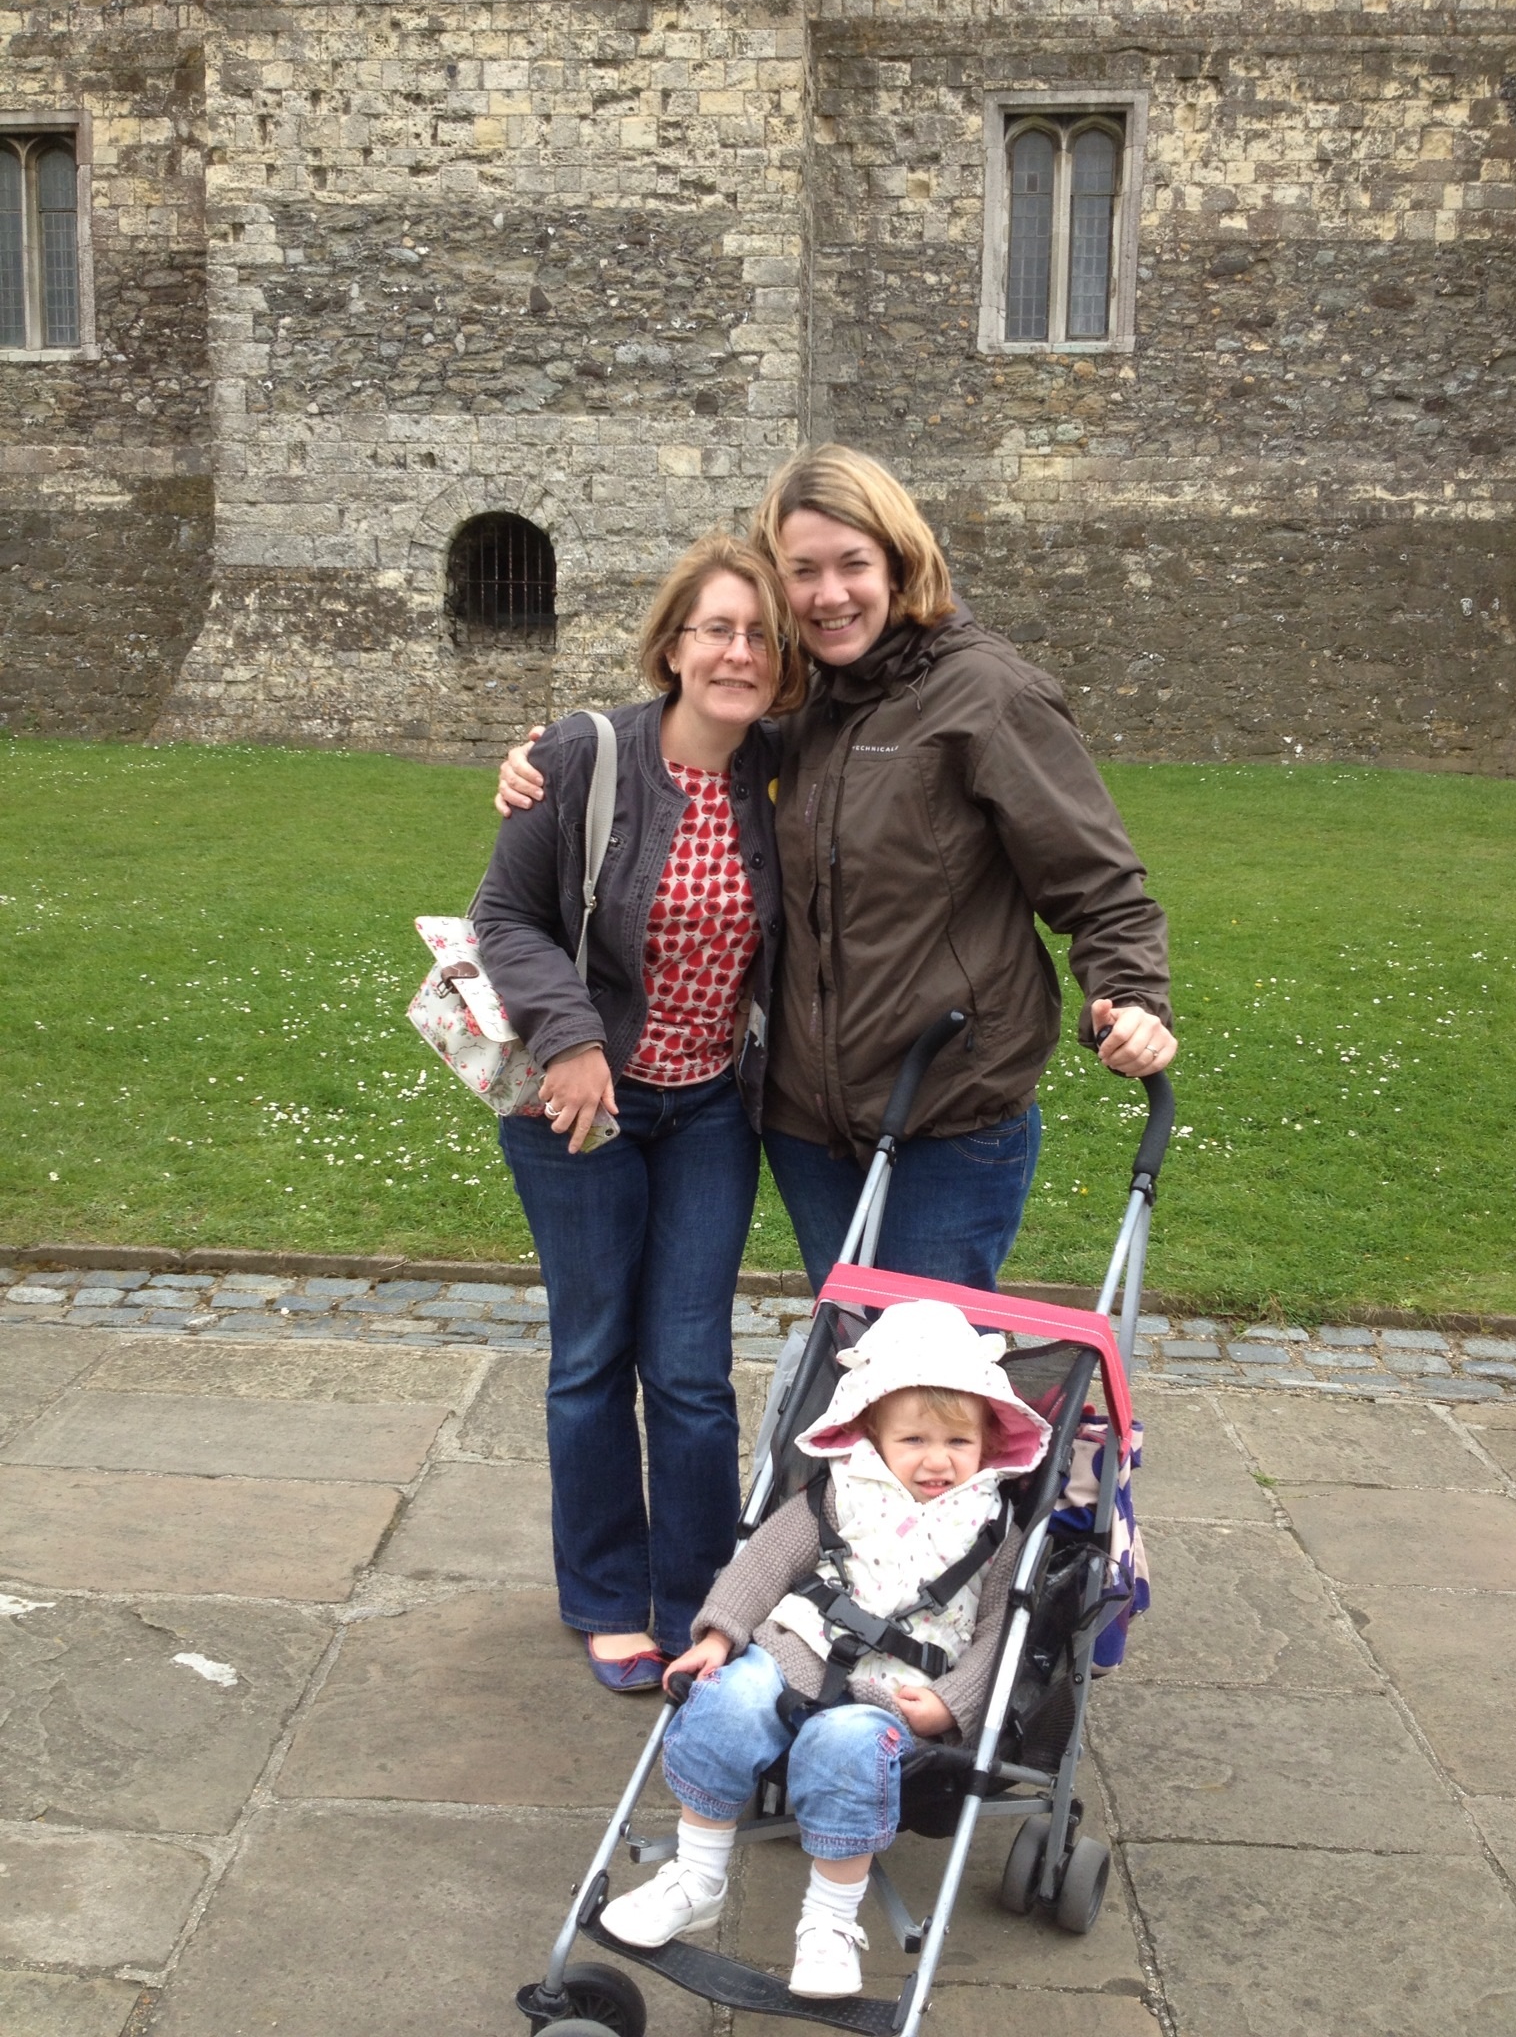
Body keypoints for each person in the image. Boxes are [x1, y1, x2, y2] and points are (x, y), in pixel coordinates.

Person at [497, 444, 1177, 1295]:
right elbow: (682, 740)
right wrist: (551, 761)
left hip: (945, 1117)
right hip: (806, 1126)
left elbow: (1100, 885)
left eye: (852, 564)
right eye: (802, 571)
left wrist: (1133, 996)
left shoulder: (989, 695)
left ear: (897, 561)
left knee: (927, 1369)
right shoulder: (800, 702)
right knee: (852, 1352)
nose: (829, 595)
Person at [471, 534, 805, 1691]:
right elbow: (504, 915)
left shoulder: (784, 772)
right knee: (593, 1351)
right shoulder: (582, 753)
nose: (738, 653)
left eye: (760, 635)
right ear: (673, 646)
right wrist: (569, 1039)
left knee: (692, 1368)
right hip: (583, 1107)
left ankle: (700, 1603)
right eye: (717, 629)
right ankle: (608, 1596)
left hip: (711, 1107)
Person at [598, 1299, 1052, 2000]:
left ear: (990, 1445)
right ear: (871, 1434)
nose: (937, 1461)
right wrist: (719, 1635)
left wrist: (951, 1704)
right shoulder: (836, 1496)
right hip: (796, 1651)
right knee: (725, 1701)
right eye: (914, 1440)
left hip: (895, 1693)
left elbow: (1002, 1635)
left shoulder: (999, 1531)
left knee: (845, 1750)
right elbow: (763, 1563)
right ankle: (695, 1875)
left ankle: (831, 1923)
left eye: (958, 1443)